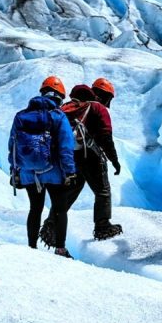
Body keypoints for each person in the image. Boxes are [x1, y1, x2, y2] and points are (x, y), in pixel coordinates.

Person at [9, 75, 77, 259]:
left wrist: (14, 171)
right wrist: (70, 171)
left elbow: (13, 146)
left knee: (35, 208)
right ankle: (60, 249)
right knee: (60, 209)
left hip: (29, 173)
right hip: (54, 172)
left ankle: (32, 247)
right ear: (58, 97)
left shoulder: (21, 116)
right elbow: (66, 146)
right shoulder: (58, 116)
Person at [53, 82, 123, 241]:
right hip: (90, 155)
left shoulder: (67, 107)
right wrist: (114, 160)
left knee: (72, 190)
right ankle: (102, 226)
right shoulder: (98, 108)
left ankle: (51, 225)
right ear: (104, 95)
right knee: (102, 190)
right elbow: (106, 136)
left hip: (69, 156)